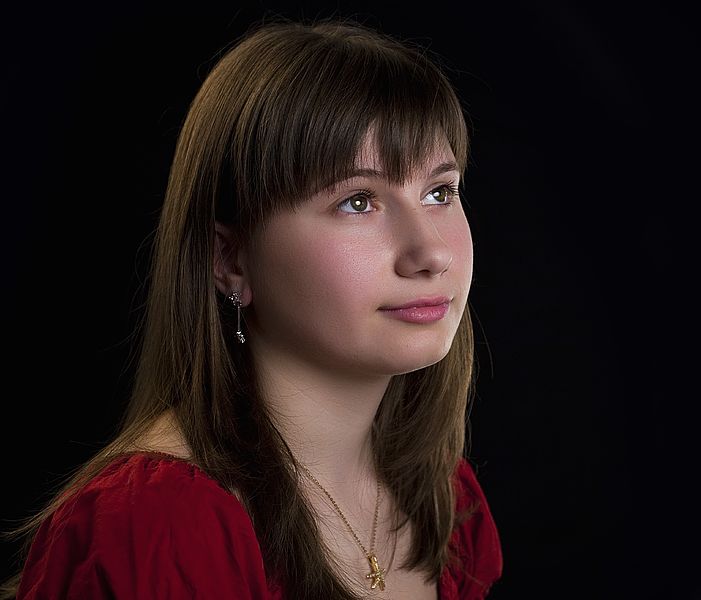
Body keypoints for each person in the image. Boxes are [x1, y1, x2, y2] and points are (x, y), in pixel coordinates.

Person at [2, 17, 503, 600]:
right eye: (358, 201)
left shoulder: (444, 499)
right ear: (231, 260)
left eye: (440, 192)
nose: (431, 252)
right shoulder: (156, 528)